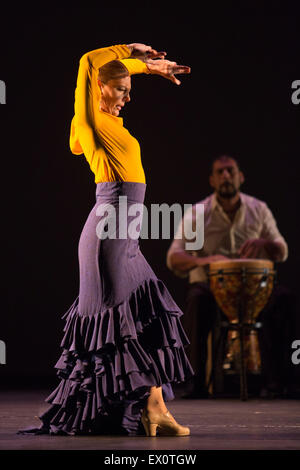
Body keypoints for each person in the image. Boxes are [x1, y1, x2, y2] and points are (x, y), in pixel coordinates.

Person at [19, 43, 194, 436]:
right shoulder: (91, 121)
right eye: (120, 90)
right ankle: (147, 410)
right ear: (98, 86)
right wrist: (135, 56)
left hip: (124, 232)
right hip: (109, 229)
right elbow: (86, 61)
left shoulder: (102, 126)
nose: (126, 99)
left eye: (130, 90)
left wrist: (138, 67)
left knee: (146, 311)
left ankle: (155, 408)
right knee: (119, 320)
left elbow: (76, 138)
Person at [167, 154, 294, 399]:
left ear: (241, 177)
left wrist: (264, 243)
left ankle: (280, 381)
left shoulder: (258, 209)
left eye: (231, 171)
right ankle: (196, 385)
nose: (226, 176)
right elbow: (174, 257)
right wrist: (205, 261)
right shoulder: (198, 213)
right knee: (196, 300)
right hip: (212, 287)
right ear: (212, 180)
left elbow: (282, 250)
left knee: (284, 299)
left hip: (254, 290)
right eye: (220, 172)